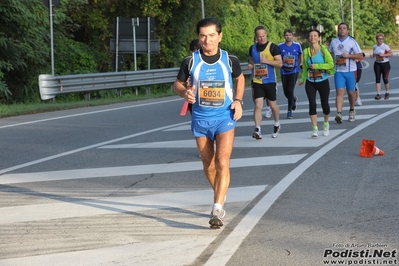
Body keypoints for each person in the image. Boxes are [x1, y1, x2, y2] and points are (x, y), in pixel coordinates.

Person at [173, 18, 245, 228]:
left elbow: (240, 78)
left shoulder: (230, 59)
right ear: (199, 38)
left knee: (223, 161)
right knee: (208, 164)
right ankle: (219, 194)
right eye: (203, 36)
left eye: (212, 35)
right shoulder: (190, 61)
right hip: (200, 119)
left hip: (225, 117)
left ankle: (217, 208)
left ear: (220, 36)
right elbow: (177, 84)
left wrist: (239, 101)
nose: (207, 40)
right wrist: (184, 92)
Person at [298, 29, 335, 137]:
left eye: (315, 35)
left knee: (325, 105)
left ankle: (326, 124)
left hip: (322, 81)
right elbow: (305, 67)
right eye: (310, 36)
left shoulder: (323, 50)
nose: (312, 37)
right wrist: (302, 79)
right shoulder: (305, 52)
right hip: (310, 81)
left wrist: (318, 66)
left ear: (319, 38)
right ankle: (314, 128)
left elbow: (331, 64)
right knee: (312, 104)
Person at [248, 25, 283, 139]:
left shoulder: (273, 47)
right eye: (259, 37)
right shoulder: (252, 48)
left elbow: (279, 63)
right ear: (256, 37)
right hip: (257, 80)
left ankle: (277, 124)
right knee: (258, 105)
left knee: (272, 105)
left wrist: (267, 61)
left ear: (266, 35)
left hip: (270, 81)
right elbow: (251, 59)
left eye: (263, 36)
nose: (261, 38)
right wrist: (250, 64)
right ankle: (257, 129)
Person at [328, 22, 363, 123]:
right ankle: (339, 113)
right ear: (338, 30)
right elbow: (329, 53)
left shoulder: (352, 42)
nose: (342, 30)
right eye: (340, 28)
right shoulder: (334, 42)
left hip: (350, 71)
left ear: (347, 30)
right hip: (339, 71)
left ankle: (352, 110)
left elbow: (360, 55)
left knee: (351, 93)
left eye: (344, 28)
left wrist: (348, 56)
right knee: (339, 92)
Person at [278, 28, 303, 119]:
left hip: (294, 70)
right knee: (286, 92)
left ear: (292, 36)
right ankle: (293, 99)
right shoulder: (280, 46)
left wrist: (301, 63)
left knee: (290, 90)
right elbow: (277, 56)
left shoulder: (297, 45)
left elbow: (301, 53)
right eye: (286, 35)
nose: (288, 36)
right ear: (284, 36)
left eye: (290, 35)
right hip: (284, 70)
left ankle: (289, 110)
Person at [370, 33, 393, 100]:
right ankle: (378, 94)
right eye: (379, 39)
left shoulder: (385, 46)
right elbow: (374, 54)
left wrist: (383, 55)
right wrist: (372, 56)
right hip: (377, 64)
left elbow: (391, 54)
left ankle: (387, 92)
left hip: (385, 64)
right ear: (377, 39)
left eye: (382, 39)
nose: (380, 40)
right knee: (377, 79)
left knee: (385, 79)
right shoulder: (375, 46)